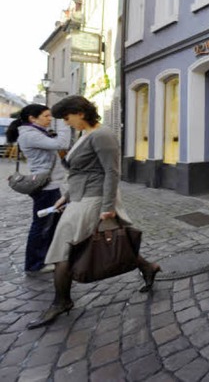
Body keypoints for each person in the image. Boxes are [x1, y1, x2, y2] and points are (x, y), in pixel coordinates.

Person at [26, 96, 161, 329]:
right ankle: (148, 267)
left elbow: (112, 172)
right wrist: (65, 197)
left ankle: (61, 302)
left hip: (94, 199)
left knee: (63, 251)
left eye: (67, 118)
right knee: (96, 243)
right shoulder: (85, 134)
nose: (66, 123)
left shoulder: (102, 135)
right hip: (81, 197)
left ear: (80, 112)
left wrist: (107, 207)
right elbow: (81, 171)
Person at [6, 105, 71, 274]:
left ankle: (47, 257)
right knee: (42, 225)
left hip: (51, 186)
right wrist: (64, 123)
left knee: (51, 223)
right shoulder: (30, 135)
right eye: (46, 116)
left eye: (50, 116)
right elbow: (62, 143)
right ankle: (34, 264)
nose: (50, 119)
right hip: (45, 188)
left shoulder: (37, 132)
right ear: (32, 118)